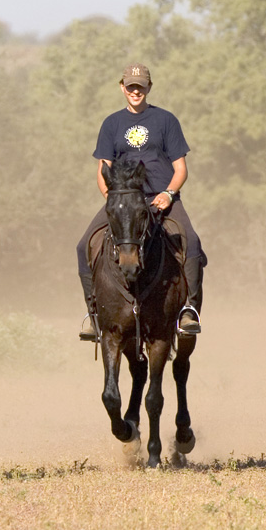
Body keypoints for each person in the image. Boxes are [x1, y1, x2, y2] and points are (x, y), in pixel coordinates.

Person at [75, 63, 206, 341]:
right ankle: (94, 315)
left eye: (140, 86)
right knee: (83, 245)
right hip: (124, 201)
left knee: (191, 242)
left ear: (149, 88)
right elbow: (103, 168)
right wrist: (111, 197)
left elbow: (181, 168)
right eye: (130, 86)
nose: (135, 91)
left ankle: (189, 310)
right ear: (122, 87)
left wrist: (168, 193)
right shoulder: (111, 123)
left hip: (161, 199)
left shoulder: (166, 121)